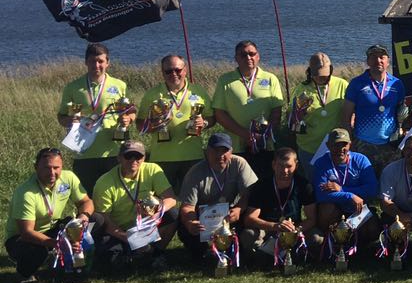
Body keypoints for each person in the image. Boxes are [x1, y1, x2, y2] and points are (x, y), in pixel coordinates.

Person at [5, 147, 94, 283]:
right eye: (47, 168)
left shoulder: (68, 177)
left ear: (62, 167)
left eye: (56, 168)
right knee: (38, 250)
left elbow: (86, 202)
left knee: (93, 222)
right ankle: (24, 274)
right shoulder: (26, 193)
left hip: (52, 228)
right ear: (36, 168)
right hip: (21, 238)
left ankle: (79, 266)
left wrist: (83, 217)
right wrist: (57, 244)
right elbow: (27, 232)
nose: (52, 172)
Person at [91, 140, 177, 273]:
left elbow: (170, 198)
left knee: (173, 214)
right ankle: (135, 253)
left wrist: (158, 212)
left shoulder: (153, 169)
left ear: (144, 158)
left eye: (138, 156)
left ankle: (156, 253)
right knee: (115, 265)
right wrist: (125, 236)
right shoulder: (104, 183)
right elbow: (104, 220)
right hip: (118, 230)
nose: (133, 160)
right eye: (128, 156)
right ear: (119, 158)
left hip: (144, 225)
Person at [58, 42, 134, 191]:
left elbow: (131, 110)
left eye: (100, 61)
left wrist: (128, 119)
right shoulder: (73, 87)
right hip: (84, 153)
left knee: (115, 196)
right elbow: (61, 117)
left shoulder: (120, 85)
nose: (96, 65)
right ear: (86, 62)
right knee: (87, 198)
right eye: (92, 61)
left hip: (113, 152)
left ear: (108, 63)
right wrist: (70, 121)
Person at [177, 132, 258, 264]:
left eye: (224, 151)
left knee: (248, 221)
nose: (220, 155)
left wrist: (239, 209)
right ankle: (202, 250)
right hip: (203, 218)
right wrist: (191, 223)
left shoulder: (239, 163)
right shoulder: (195, 172)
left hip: (230, 215)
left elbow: (248, 195)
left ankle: (237, 249)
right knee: (187, 232)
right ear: (207, 152)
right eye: (215, 151)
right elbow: (187, 207)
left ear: (231, 151)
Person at [211, 40, 285, 178]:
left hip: (265, 145)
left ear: (258, 56)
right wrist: (245, 134)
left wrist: (264, 135)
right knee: (239, 184)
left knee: (264, 182)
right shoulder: (225, 80)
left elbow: (276, 110)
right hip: (235, 147)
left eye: (252, 54)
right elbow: (219, 113)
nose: (248, 57)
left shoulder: (271, 78)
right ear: (236, 58)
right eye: (243, 55)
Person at [138, 54, 210, 190]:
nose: (174, 74)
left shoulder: (198, 91)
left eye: (178, 70)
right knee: (163, 199)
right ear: (162, 72)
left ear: (185, 70)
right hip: (161, 158)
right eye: (168, 71)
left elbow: (212, 118)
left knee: (192, 198)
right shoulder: (152, 94)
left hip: (192, 155)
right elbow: (139, 124)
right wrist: (153, 125)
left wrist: (203, 123)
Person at [243, 147, 318, 267]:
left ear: (296, 165)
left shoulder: (304, 185)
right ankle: (255, 259)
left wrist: (294, 231)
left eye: (289, 166)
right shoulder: (262, 185)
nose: (285, 170)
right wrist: (275, 226)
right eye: (280, 166)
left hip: (294, 229)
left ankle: (299, 256)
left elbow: (311, 219)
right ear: (273, 165)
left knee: (316, 237)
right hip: (268, 229)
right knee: (248, 235)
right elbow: (249, 218)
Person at [342, 44, 407, 172]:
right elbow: (345, 117)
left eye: (382, 57)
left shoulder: (397, 84)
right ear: (368, 61)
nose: (378, 60)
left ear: (388, 61)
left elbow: (402, 113)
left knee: (389, 181)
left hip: (390, 144)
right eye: (373, 57)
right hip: (363, 144)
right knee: (365, 181)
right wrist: (349, 143)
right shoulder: (356, 83)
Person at [287, 52, 349, 179]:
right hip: (309, 147)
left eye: (325, 75)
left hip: (336, 147)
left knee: (337, 181)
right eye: (317, 75)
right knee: (313, 182)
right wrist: (298, 113)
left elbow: (351, 111)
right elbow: (291, 118)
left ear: (331, 70)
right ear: (310, 72)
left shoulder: (342, 85)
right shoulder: (301, 89)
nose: (321, 78)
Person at [312, 128, 379, 247]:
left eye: (344, 144)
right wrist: (350, 196)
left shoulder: (361, 160)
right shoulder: (321, 163)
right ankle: (328, 242)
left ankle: (356, 243)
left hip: (357, 208)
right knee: (326, 208)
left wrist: (342, 190)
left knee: (373, 231)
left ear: (350, 144)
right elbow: (321, 195)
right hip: (335, 209)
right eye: (336, 145)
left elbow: (372, 189)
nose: (340, 149)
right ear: (328, 145)